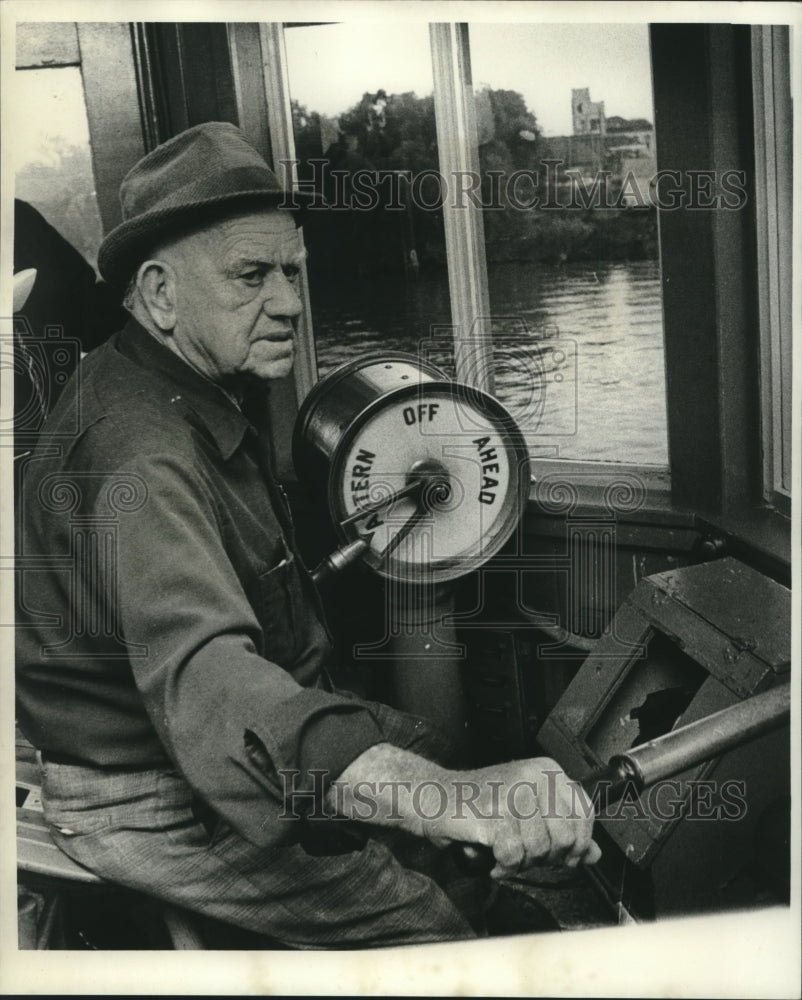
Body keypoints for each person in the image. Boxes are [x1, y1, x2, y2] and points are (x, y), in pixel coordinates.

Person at [15, 122, 599, 949]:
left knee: (440, 753)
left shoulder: (182, 385)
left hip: (207, 745)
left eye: (292, 271)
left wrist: (445, 787)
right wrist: (449, 802)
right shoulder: (138, 454)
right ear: (158, 293)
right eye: (251, 275)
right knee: (427, 919)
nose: (289, 300)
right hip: (149, 795)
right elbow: (213, 686)